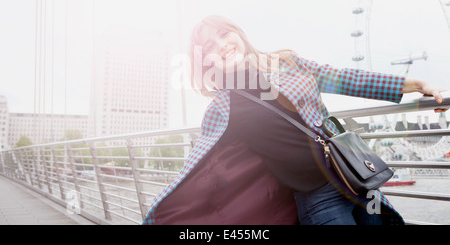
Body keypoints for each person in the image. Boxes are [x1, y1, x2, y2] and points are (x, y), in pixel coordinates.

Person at [143, 15, 447, 225]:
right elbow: (199, 168)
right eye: (209, 46)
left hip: (356, 182)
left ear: (239, 34)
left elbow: (346, 78)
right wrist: (162, 210)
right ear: (204, 60)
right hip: (316, 199)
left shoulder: (286, 63)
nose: (221, 45)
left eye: (224, 34)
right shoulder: (223, 107)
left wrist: (418, 84)